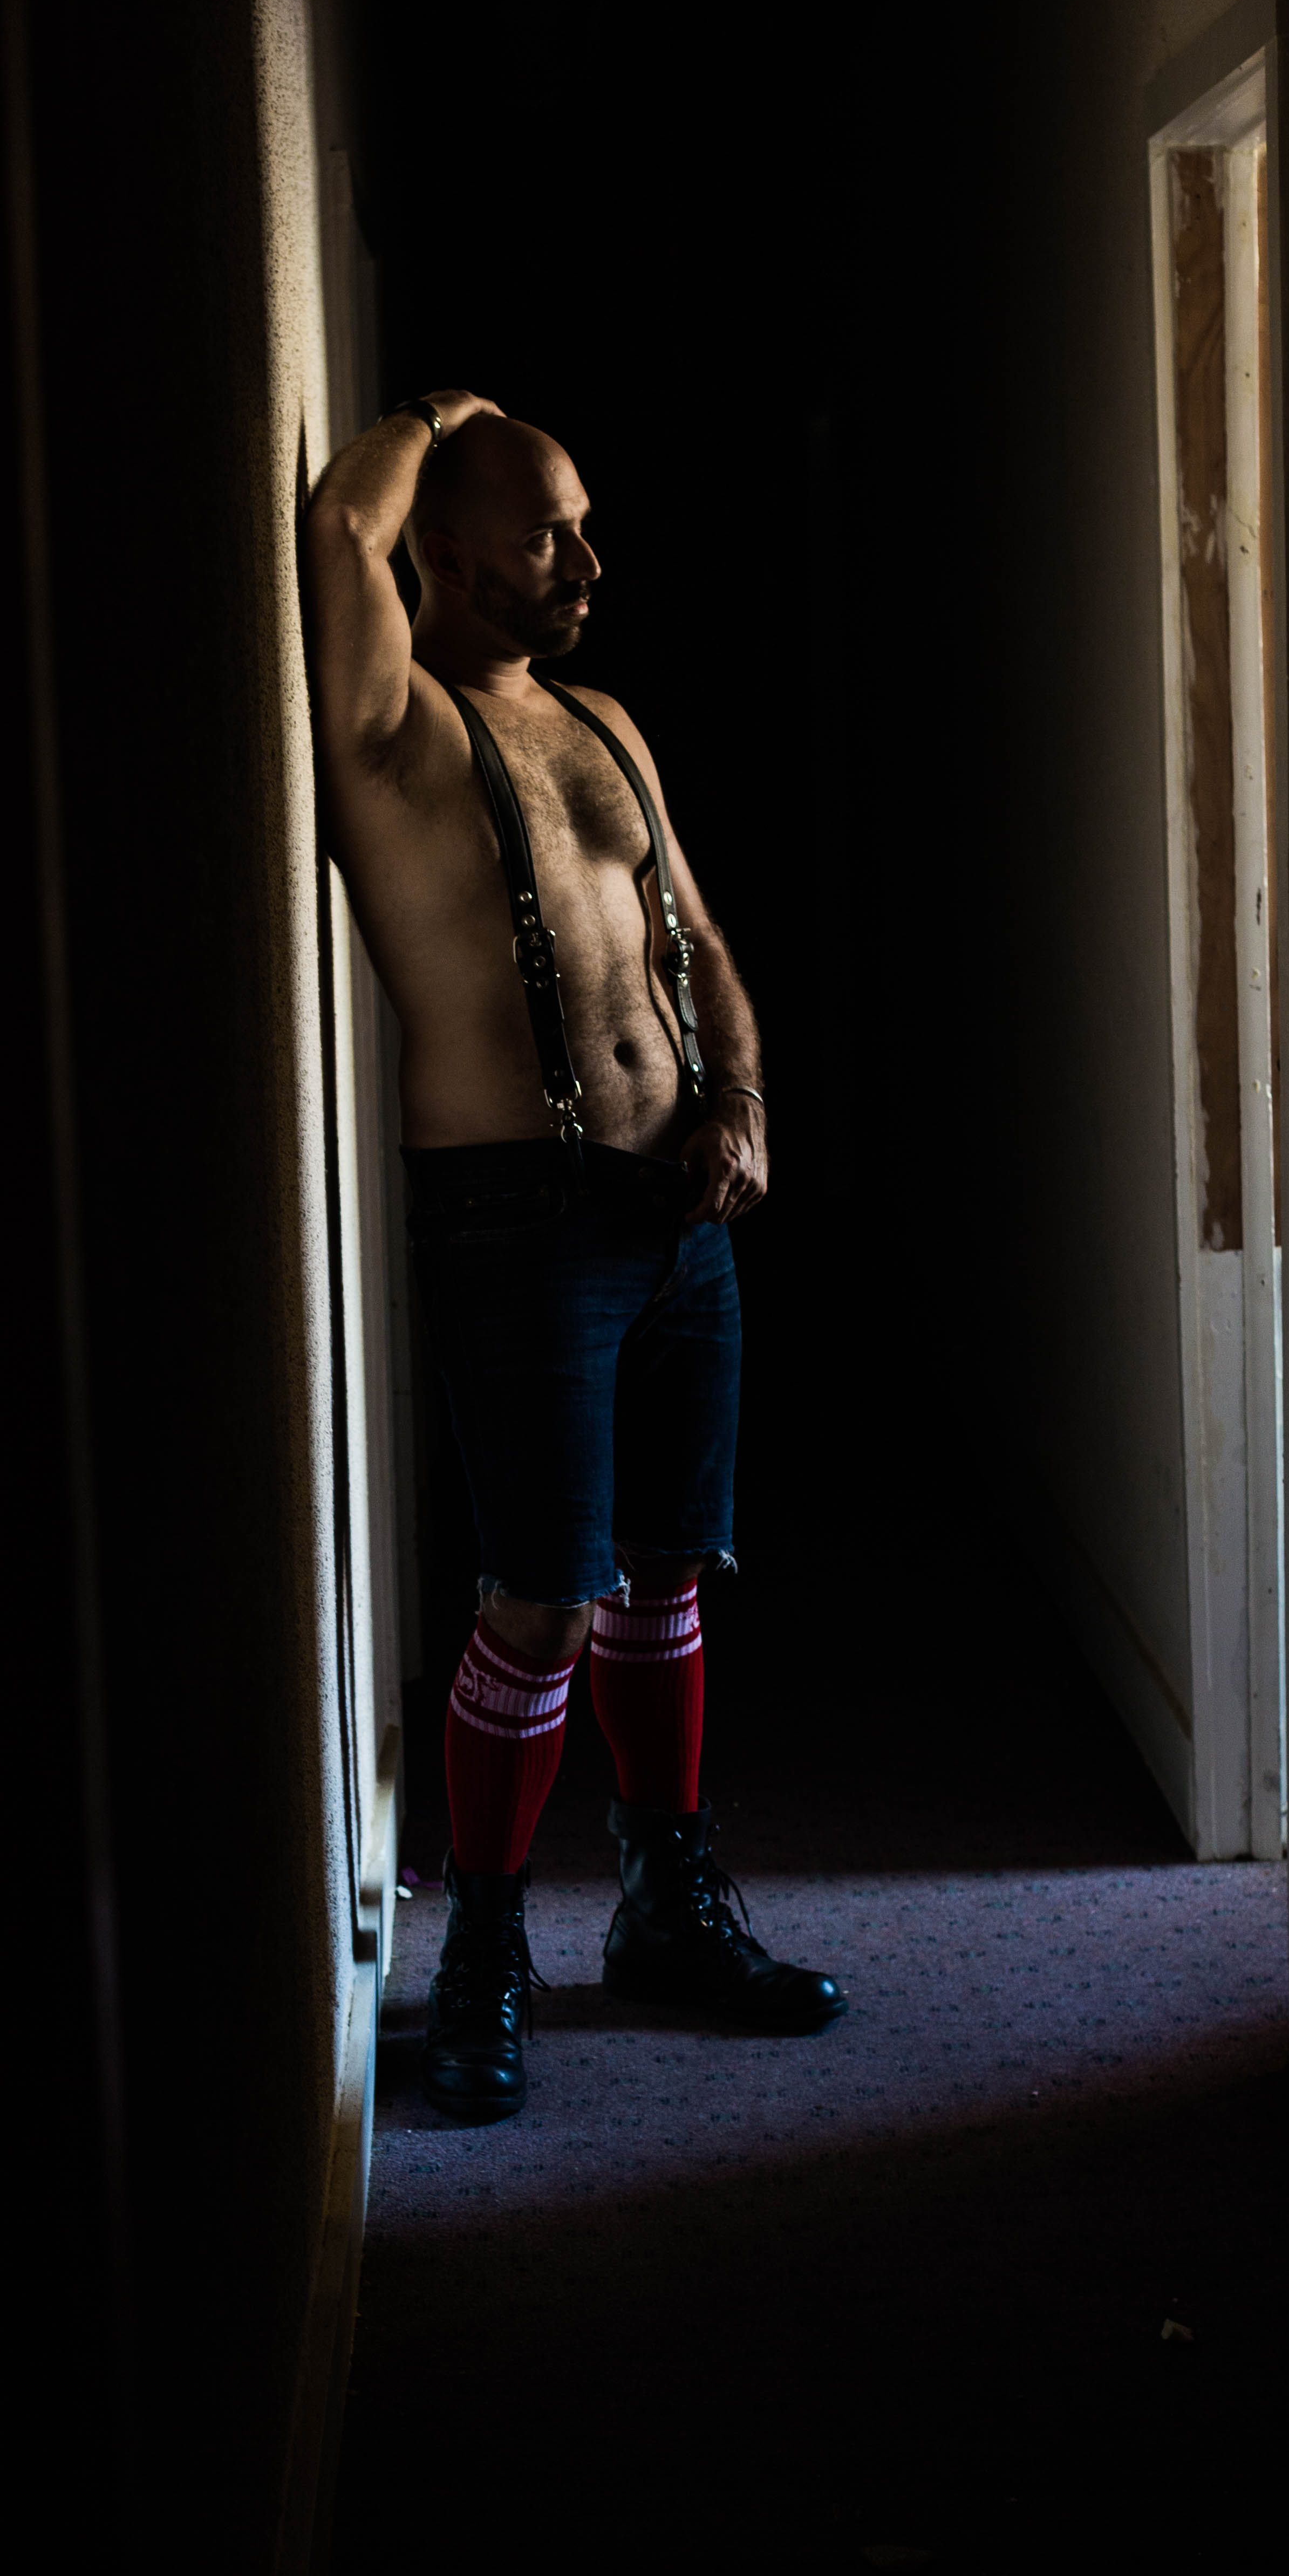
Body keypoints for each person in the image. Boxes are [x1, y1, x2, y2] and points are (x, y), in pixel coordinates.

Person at [303, 389, 845, 2123]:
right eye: (548, 534)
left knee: (669, 1572)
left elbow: (697, 937)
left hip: (677, 1214)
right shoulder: (396, 732)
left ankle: (669, 1908)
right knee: (542, 1599)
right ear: (449, 555)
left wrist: (738, 1098)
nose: (589, 563)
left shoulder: (603, 722)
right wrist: (440, 412)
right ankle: (483, 1951)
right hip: (517, 1218)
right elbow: (337, 528)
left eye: (585, 526)